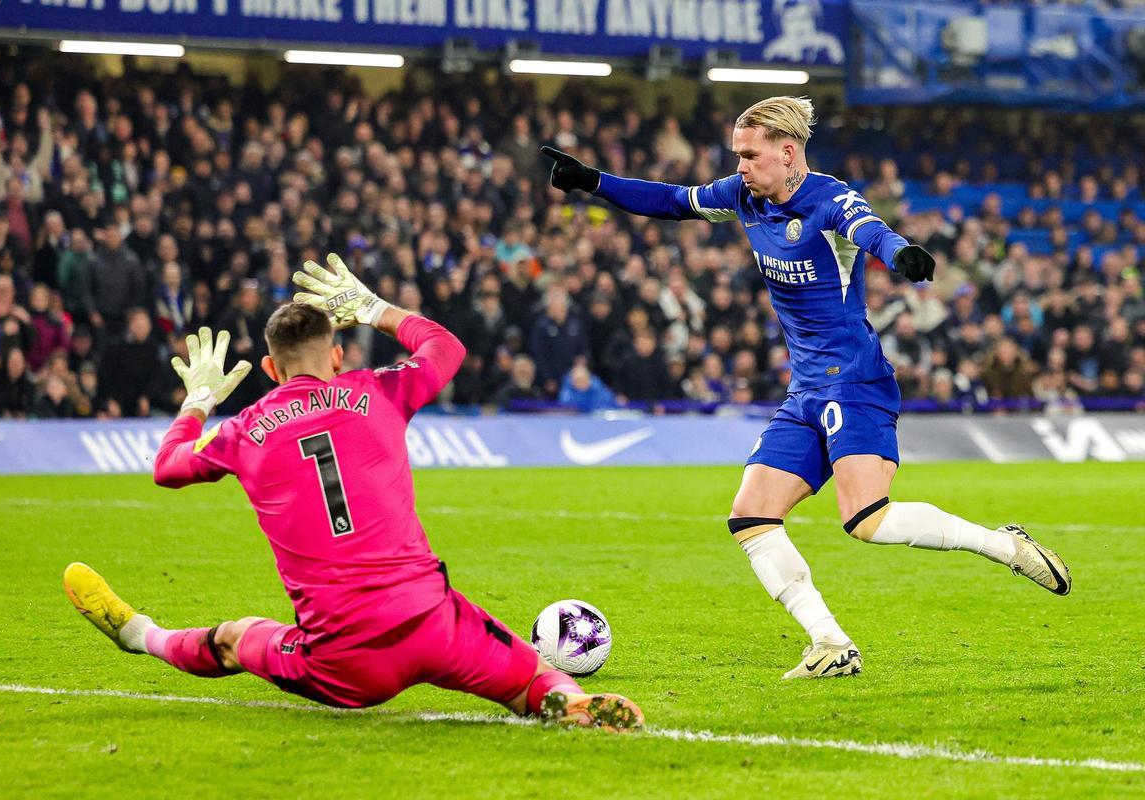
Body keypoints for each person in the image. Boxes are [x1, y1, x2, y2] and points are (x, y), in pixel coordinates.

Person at [542, 96, 1071, 679]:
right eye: (737, 155)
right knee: (750, 517)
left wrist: (902, 257)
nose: (740, 165)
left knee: (866, 518)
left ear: (787, 152)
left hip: (856, 382)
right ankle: (829, 642)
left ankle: (1002, 545)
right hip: (806, 391)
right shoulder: (743, 197)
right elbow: (671, 201)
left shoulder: (829, 198)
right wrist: (592, 182)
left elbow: (870, 230)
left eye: (751, 154)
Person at [63, 253, 642, 731]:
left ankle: (142, 635)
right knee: (532, 679)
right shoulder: (377, 392)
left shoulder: (242, 433)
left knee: (237, 639)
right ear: (337, 356)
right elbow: (448, 349)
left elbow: (166, 468)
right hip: (433, 623)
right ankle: (567, 701)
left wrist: (197, 402)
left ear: (269, 368)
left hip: (346, 658)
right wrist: (375, 309)